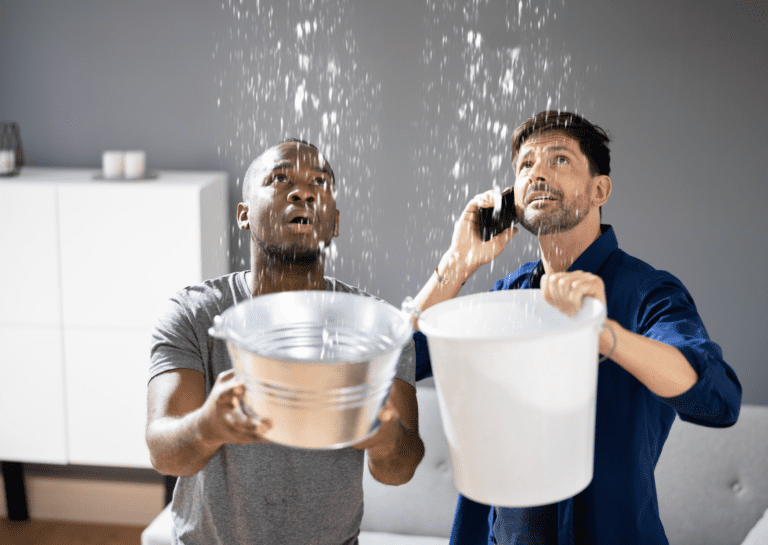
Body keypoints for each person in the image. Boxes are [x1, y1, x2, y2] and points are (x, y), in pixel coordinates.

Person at [411, 111, 741, 544]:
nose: (538, 173)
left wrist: (603, 334)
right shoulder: (508, 294)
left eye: (559, 159)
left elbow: (719, 400)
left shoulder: (647, 292)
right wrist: (458, 262)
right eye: (525, 164)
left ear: (599, 189)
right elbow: (405, 360)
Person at [146, 139, 425, 545]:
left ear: (334, 222)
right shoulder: (196, 313)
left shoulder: (376, 326)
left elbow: (398, 470)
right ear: (243, 215)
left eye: (320, 182)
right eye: (279, 179)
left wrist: (383, 436)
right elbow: (163, 453)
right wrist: (207, 426)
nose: (304, 192)